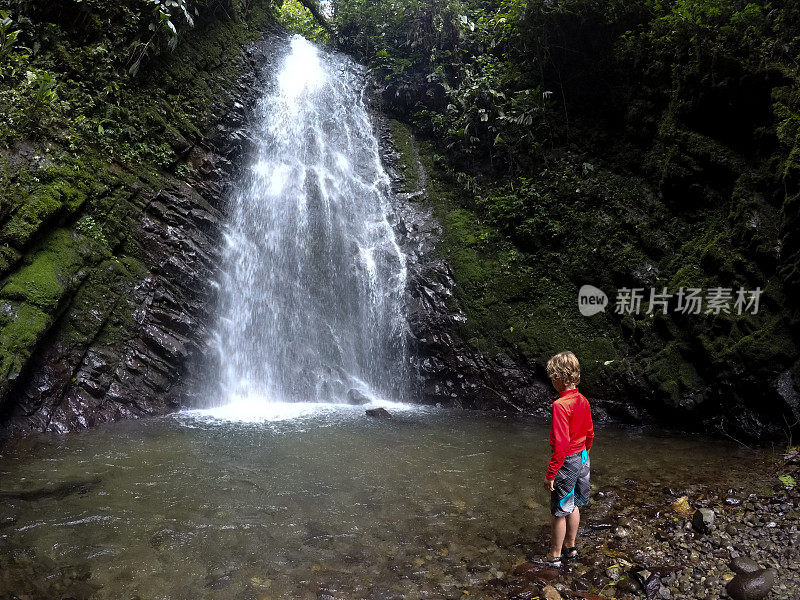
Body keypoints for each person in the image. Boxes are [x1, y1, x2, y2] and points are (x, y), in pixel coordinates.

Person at [532, 351, 594, 568]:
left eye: (552, 378)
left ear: (559, 378)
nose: (552, 382)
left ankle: (554, 556)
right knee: (574, 502)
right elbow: (590, 433)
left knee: (559, 510)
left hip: (567, 461)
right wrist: (584, 454)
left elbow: (560, 445)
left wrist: (551, 474)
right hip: (583, 457)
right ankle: (571, 547)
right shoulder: (583, 400)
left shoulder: (560, 406)